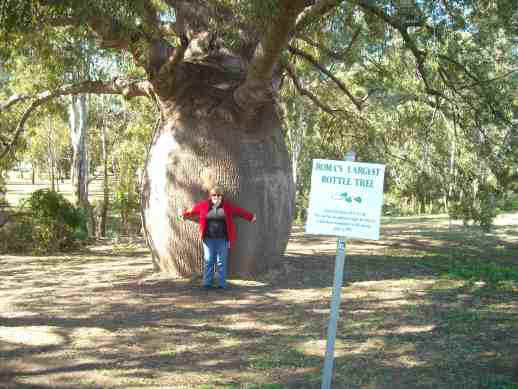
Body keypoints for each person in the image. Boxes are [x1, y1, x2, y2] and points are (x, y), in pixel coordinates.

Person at [179, 185, 256, 289]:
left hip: (223, 239)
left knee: (221, 262)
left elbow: (239, 211)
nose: (216, 197)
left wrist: (251, 217)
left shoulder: (227, 207)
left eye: (218, 195)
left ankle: (222, 284)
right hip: (208, 239)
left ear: (221, 196)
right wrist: (183, 214)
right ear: (210, 196)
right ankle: (207, 283)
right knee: (209, 260)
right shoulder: (204, 206)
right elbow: (192, 211)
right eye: (213, 195)